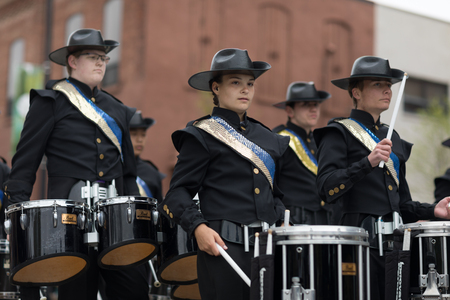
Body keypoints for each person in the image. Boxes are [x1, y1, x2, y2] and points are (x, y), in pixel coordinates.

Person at [3, 28, 148, 300]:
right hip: (68, 220)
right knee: (77, 292)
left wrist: (133, 224)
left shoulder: (118, 109)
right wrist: (15, 220)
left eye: (103, 58)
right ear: (72, 61)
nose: (100, 63)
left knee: (134, 289)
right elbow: (25, 163)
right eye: (93, 57)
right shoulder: (51, 101)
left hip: (115, 220)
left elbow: (129, 173)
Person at [157, 48, 289, 300]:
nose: (245, 90)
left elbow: (276, 195)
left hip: (269, 248)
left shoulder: (268, 138)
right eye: (236, 82)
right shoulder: (201, 135)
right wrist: (197, 228)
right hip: (224, 249)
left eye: (250, 83)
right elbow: (177, 194)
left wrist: (284, 218)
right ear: (216, 88)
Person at [314, 55, 450, 299]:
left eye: (389, 85)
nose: (387, 90)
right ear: (356, 92)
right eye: (378, 84)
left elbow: (404, 204)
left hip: (395, 247)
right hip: (358, 245)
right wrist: (367, 162)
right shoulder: (338, 132)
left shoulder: (392, 136)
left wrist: (433, 211)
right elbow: (326, 188)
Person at [272, 81, 332, 225]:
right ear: (289, 111)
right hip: (294, 221)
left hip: (324, 220)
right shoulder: (279, 140)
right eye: (306, 104)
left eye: (316, 104)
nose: (313, 109)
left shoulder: (319, 142)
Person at [129, 110, 165, 202]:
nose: (140, 140)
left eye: (143, 135)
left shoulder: (152, 173)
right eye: (134, 134)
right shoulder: (114, 169)